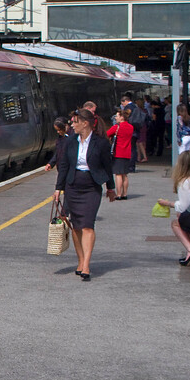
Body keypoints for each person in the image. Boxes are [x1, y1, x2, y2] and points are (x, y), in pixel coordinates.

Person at [54, 107, 117, 281]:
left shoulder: (101, 143)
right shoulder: (70, 142)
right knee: (76, 226)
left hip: (91, 187)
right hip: (73, 185)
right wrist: (58, 189)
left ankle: (87, 264)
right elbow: (64, 165)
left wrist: (110, 188)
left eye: (75, 122)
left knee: (88, 225)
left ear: (85, 123)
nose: (72, 125)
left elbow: (107, 166)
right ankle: (80, 260)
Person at [106, 107, 134, 200]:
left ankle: (118, 194)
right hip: (127, 152)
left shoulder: (116, 127)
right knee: (125, 174)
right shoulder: (131, 127)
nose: (115, 118)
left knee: (118, 174)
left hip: (118, 153)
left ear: (122, 117)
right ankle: (124, 193)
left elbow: (107, 134)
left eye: (117, 116)